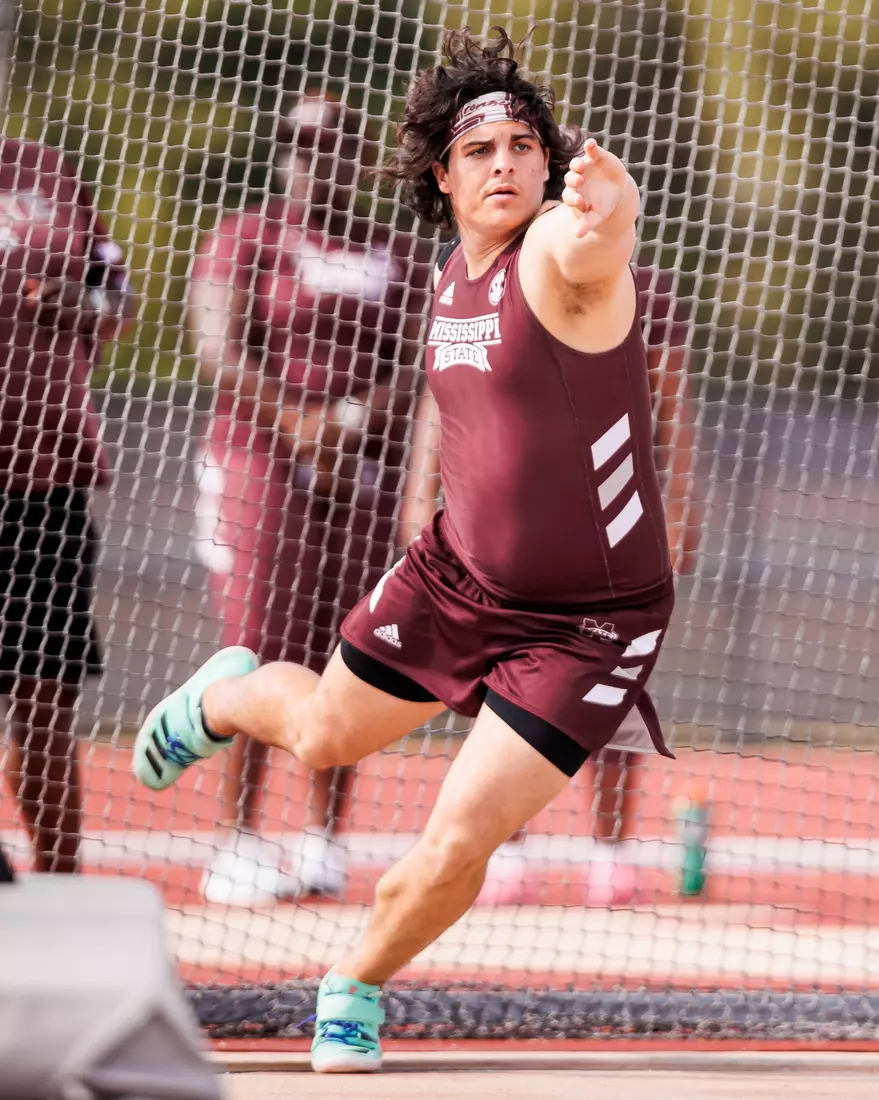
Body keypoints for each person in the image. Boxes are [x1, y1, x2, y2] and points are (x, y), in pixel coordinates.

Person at [134, 27, 677, 1073]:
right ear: (445, 172)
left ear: (552, 165)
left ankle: (356, 983)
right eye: (483, 150)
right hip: (454, 575)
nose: (508, 163)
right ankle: (220, 699)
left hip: (589, 624)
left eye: (527, 144)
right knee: (327, 734)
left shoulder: (563, 266)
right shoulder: (442, 279)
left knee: (460, 831)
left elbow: (595, 247)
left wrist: (615, 209)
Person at [187, 91, 430, 904]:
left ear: (359, 157)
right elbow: (219, 350)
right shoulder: (247, 237)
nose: (310, 156)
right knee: (260, 638)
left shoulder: (396, 253)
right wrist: (300, 424)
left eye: (329, 143)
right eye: (295, 140)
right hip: (263, 456)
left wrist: (353, 424)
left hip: (363, 465)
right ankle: (239, 836)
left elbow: (423, 356)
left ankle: (322, 835)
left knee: (353, 645)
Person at [476, 262, 697, 906]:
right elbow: (456, 398)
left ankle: (610, 853)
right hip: (517, 514)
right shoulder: (498, 276)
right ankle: (508, 851)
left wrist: (683, 507)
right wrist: (421, 499)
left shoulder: (644, 285)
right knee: (509, 679)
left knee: (613, 682)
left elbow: (673, 409)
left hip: (616, 517)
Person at [0, 136, 130, 875]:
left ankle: (59, 884)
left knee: (45, 702)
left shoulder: (50, 169)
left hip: (48, 481)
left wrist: (75, 302)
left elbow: (119, 302)